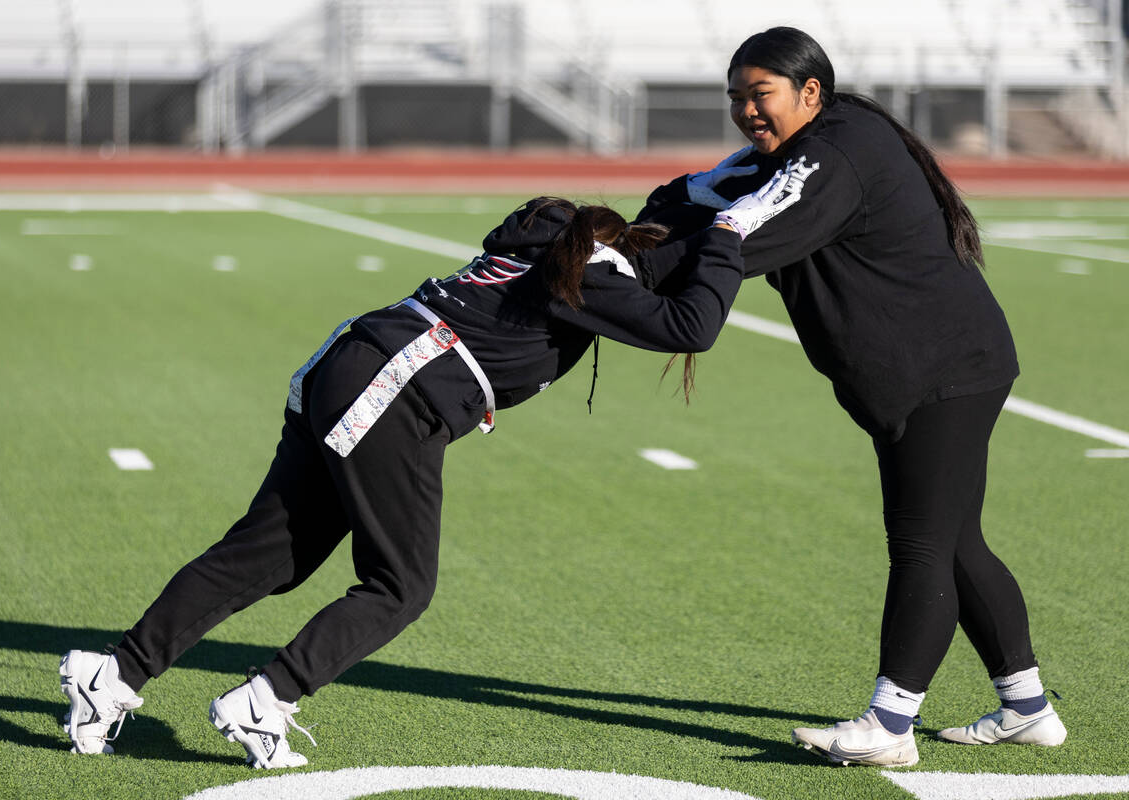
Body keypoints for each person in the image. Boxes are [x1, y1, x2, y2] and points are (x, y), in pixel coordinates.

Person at [58, 184, 803, 768]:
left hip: (353, 359)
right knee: (400, 585)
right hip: (397, 387)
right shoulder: (596, 271)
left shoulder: (552, 236)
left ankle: (113, 675)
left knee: (270, 556)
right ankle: (266, 697)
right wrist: (728, 242)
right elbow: (691, 326)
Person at [636, 26, 1065, 767]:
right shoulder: (808, 146)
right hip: (940, 364)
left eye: (759, 94)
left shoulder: (829, 158)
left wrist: (605, 271)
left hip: (942, 370)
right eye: (736, 97)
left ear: (810, 92)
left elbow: (734, 233)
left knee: (923, 543)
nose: (745, 110)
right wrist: (637, 233)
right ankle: (1027, 708)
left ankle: (890, 727)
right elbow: (704, 194)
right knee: (957, 541)